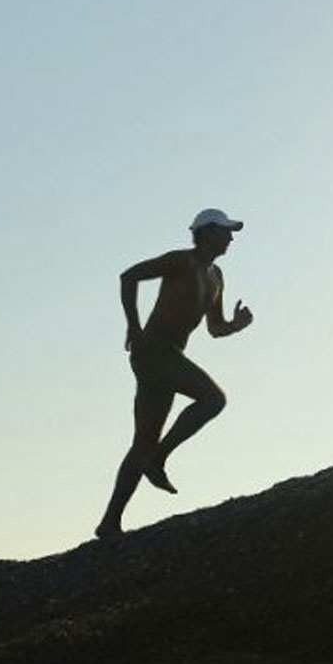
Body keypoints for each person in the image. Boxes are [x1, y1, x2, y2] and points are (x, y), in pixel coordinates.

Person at [95, 208, 255, 538]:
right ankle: (158, 458)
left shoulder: (216, 277)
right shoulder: (181, 261)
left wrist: (237, 326)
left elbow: (215, 327)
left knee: (142, 441)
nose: (231, 238)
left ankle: (109, 523)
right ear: (207, 233)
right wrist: (134, 327)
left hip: (169, 357)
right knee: (213, 399)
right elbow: (129, 276)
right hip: (152, 351)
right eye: (226, 231)